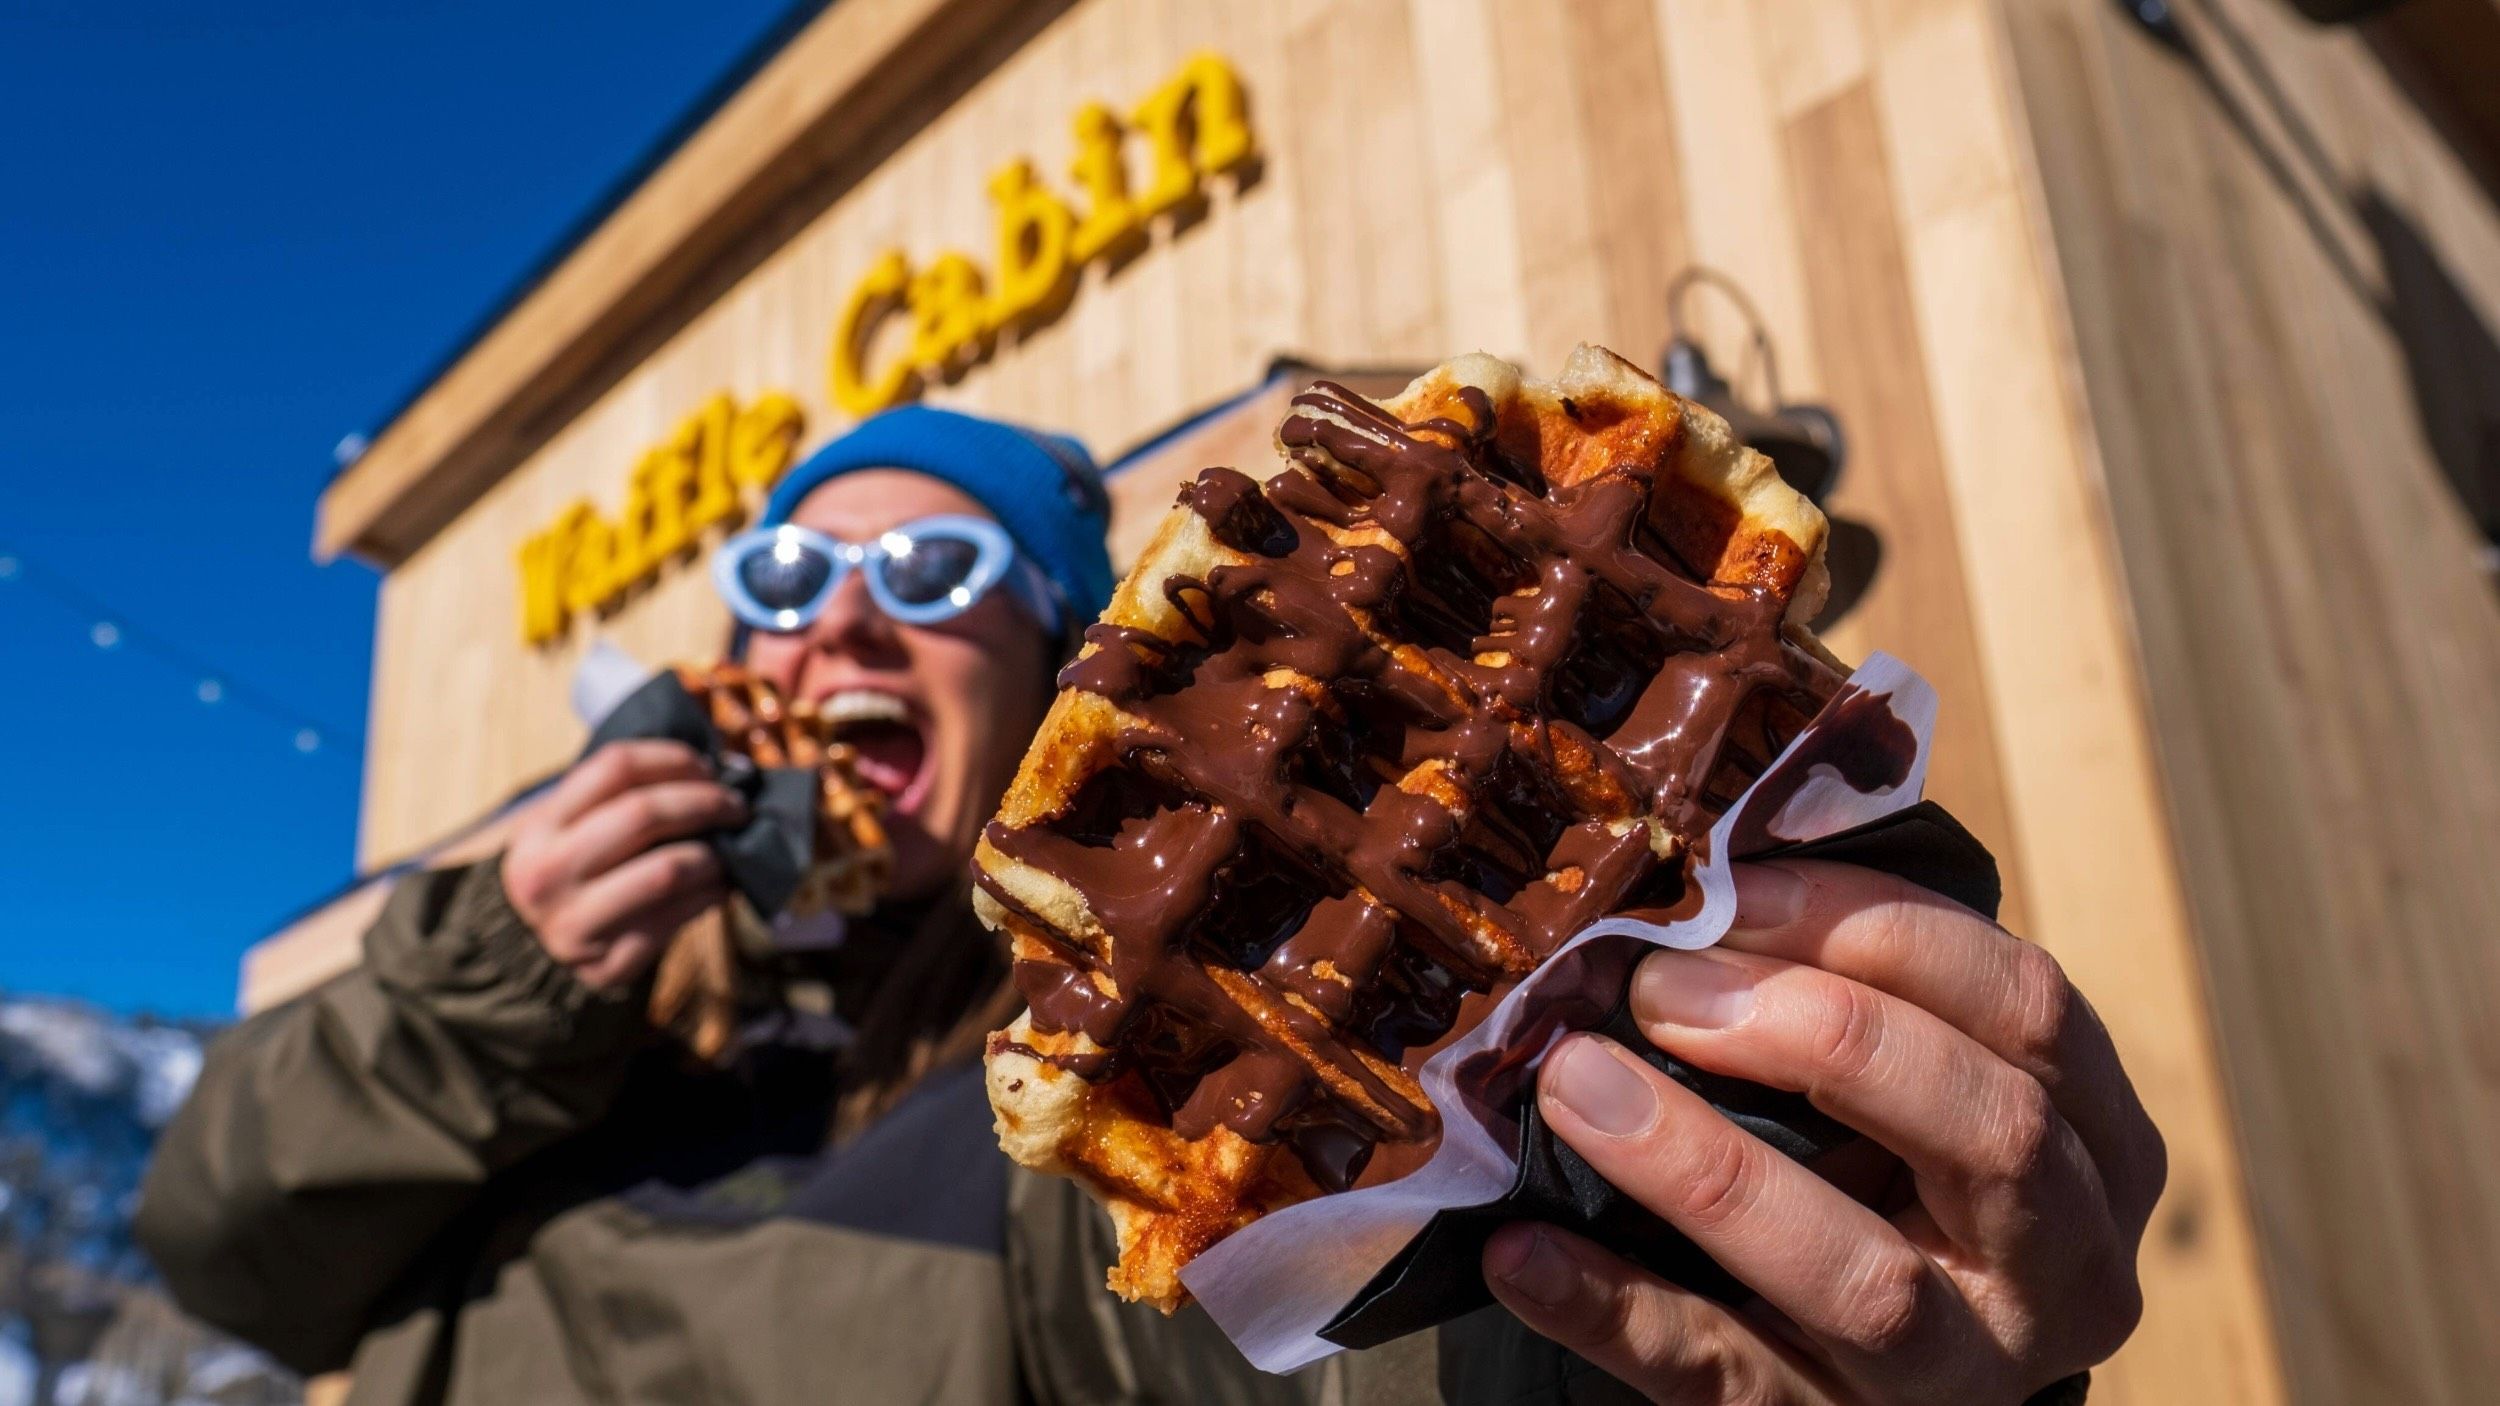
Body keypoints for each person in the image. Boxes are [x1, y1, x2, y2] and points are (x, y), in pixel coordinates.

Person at [137, 406, 2159, 1405]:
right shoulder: (567, 1015)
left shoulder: (1120, 1088)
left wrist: (1733, 1198)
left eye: (931, 579)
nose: (837, 616)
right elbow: (230, 1251)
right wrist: (479, 995)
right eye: (780, 581)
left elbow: (1303, 1334)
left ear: (1062, 681)